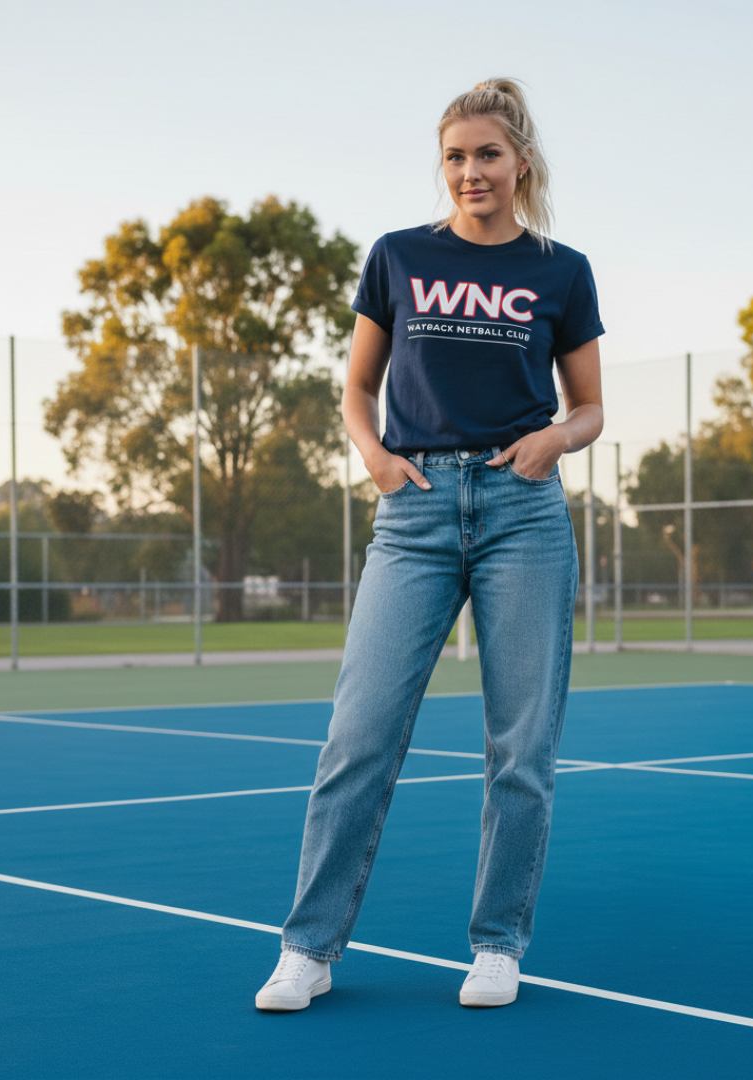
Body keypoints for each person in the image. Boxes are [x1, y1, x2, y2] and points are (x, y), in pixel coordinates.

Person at [255, 77, 603, 1011]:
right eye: (455, 156)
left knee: (520, 747)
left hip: (522, 512)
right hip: (411, 515)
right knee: (358, 737)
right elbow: (357, 388)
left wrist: (555, 440)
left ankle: (497, 945)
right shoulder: (398, 256)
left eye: (487, 153)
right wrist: (371, 457)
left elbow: (592, 408)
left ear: (520, 161)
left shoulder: (562, 270)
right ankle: (310, 949)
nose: (470, 171)